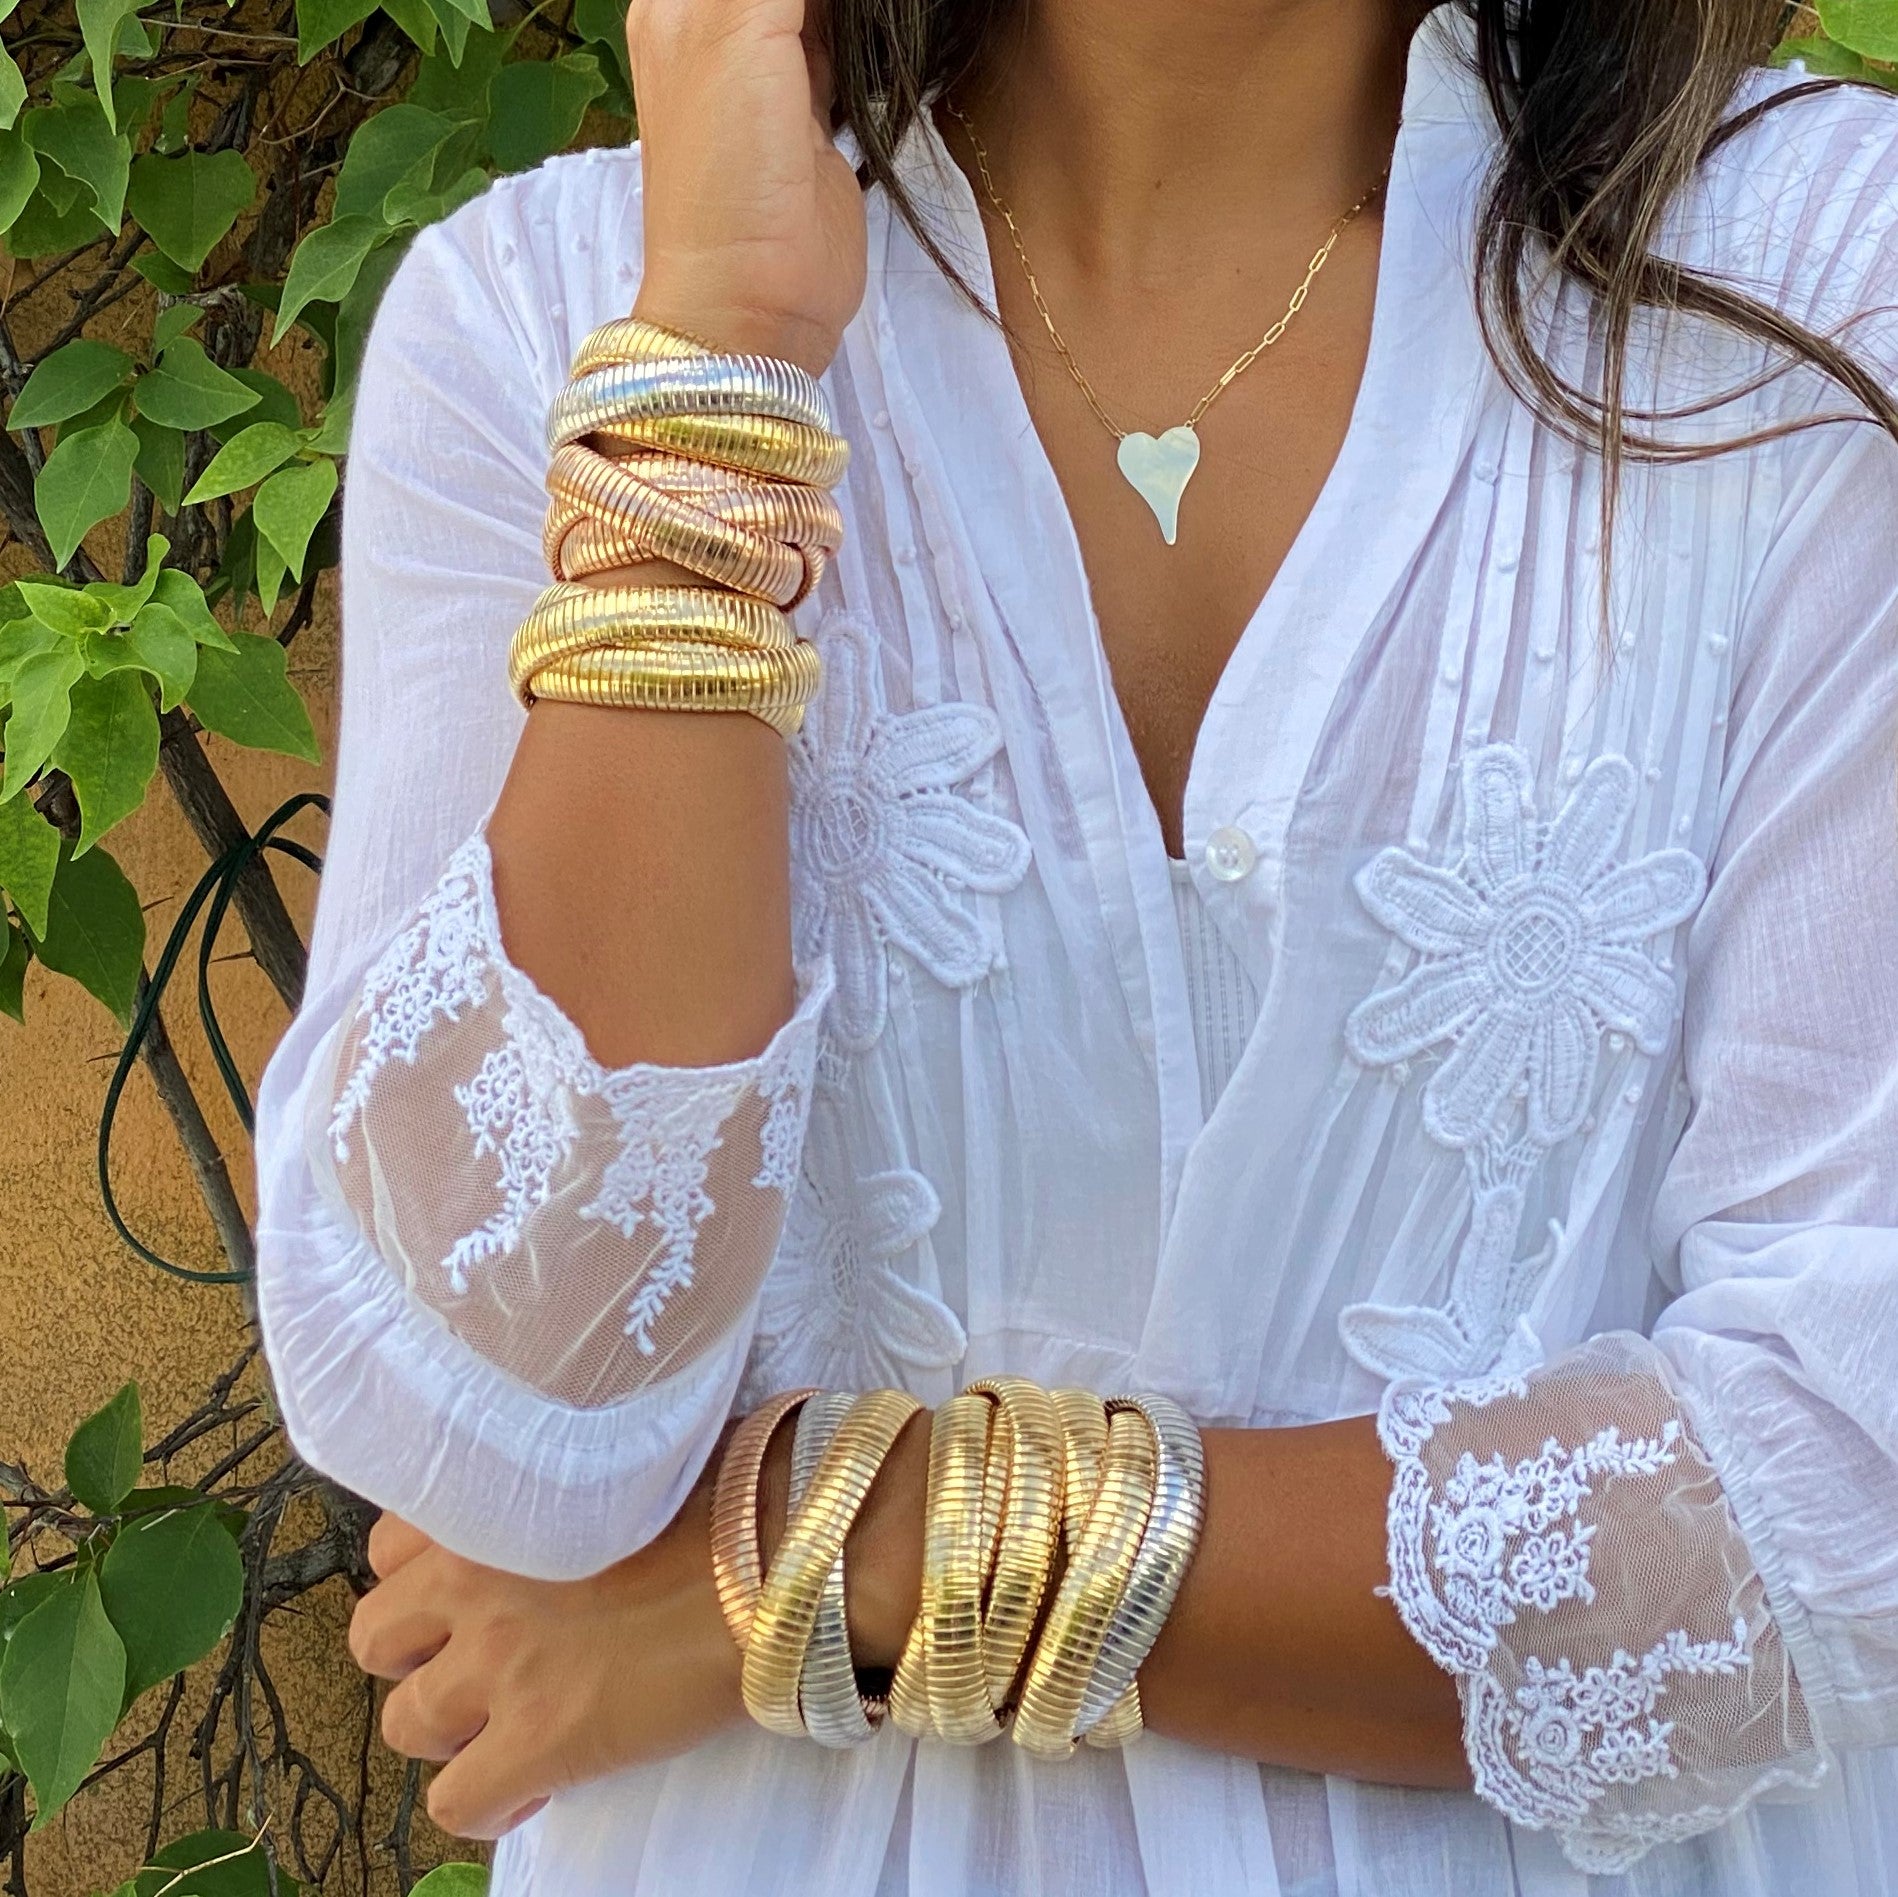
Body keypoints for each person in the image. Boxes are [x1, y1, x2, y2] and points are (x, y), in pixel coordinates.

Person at [250, 0, 1898, 1888]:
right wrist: (712, 388)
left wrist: (828, 1558)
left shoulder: (1813, 287)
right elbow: (494, 1417)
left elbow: (1842, 1478)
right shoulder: (554, 315)